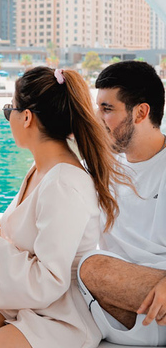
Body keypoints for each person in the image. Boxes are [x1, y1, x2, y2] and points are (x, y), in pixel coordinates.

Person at [0, 66, 127, 348]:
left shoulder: (64, 183)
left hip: (56, 311)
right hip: (20, 293)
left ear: (27, 117)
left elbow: (50, 280)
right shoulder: (39, 169)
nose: (9, 118)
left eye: (10, 109)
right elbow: (34, 231)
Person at [77, 60, 166, 345]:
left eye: (107, 109)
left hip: (158, 289)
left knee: (90, 268)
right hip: (124, 297)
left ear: (141, 112)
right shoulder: (98, 167)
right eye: (97, 108)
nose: (97, 118)